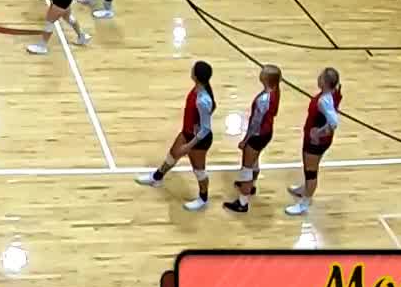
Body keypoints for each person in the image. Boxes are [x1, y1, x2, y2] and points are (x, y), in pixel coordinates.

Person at [138, 61, 217, 210]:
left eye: (193, 69)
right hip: (187, 132)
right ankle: (157, 178)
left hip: (199, 141)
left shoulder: (203, 100)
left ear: (197, 76)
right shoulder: (199, 89)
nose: (191, 70)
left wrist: (188, 146)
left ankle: (203, 198)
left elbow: (205, 129)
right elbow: (214, 107)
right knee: (173, 154)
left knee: (199, 171)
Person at [226, 64, 283, 213]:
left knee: (247, 168)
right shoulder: (276, 91)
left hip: (257, 135)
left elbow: (255, 123)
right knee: (255, 159)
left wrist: (245, 140)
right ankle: (251, 186)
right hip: (267, 133)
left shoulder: (263, 99)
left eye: (263, 73)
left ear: (266, 79)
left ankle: (242, 203)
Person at [288, 67, 341, 216]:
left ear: (324, 82)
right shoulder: (331, 94)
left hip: (316, 141)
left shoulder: (324, 101)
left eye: (320, 77)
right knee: (309, 167)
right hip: (316, 139)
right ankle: (305, 189)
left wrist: (318, 133)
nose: (318, 78)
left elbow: (334, 123)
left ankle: (304, 203)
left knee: (311, 171)